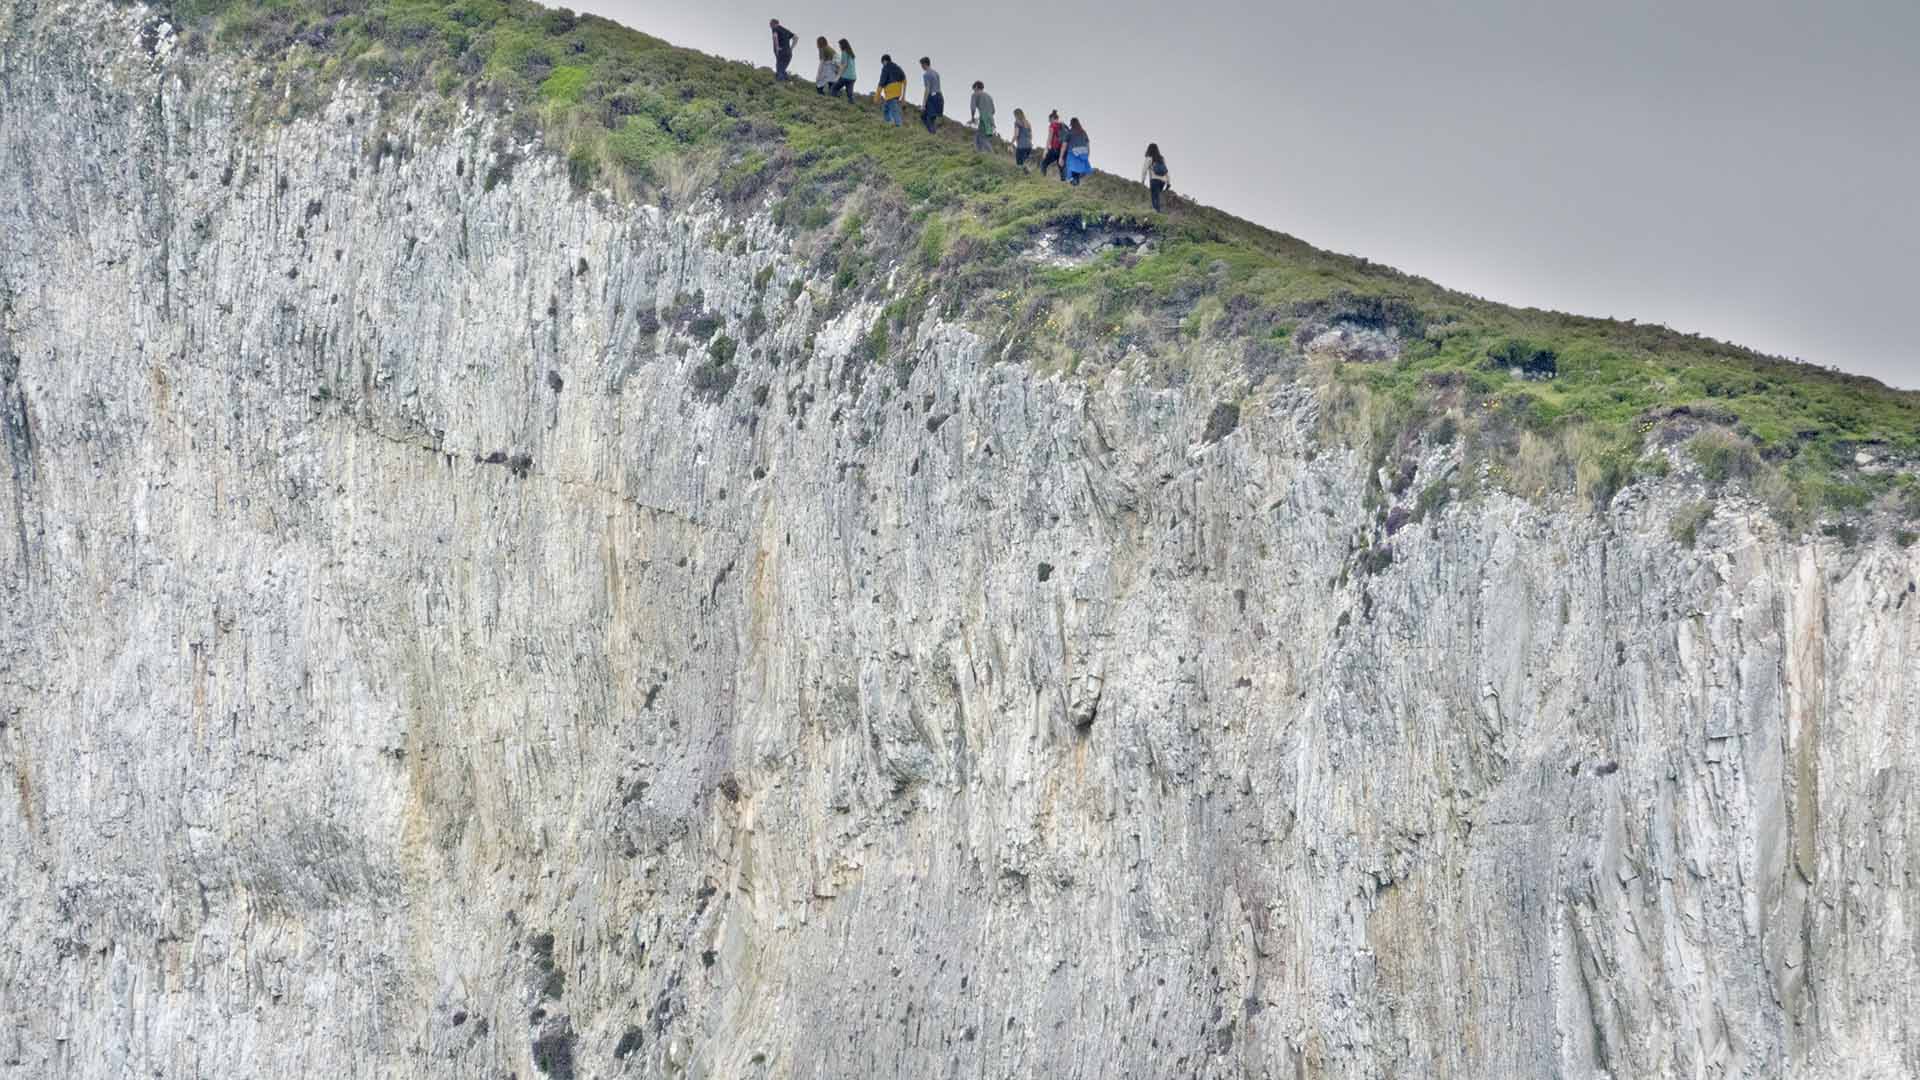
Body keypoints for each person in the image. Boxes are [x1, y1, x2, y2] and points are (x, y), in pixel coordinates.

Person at [875, 54, 908, 126]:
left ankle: (898, 126)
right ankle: (889, 124)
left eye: (882, 63)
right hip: (898, 92)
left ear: (884, 61)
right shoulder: (898, 67)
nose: (883, 65)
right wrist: (903, 96)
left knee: (894, 110)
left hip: (891, 93)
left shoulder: (885, 68)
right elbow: (905, 80)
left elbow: (881, 82)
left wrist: (876, 97)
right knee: (886, 110)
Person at [1140, 142, 1171, 211]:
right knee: (1157, 196)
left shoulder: (1149, 158)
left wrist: (1142, 180)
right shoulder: (1161, 158)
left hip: (1154, 180)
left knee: (1154, 197)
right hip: (1162, 181)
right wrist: (1168, 182)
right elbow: (1166, 171)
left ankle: (1156, 211)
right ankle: (1157, 210)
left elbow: (1144, 170)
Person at [918, 57, 944, 133]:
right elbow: (939, 87)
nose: (921, 67)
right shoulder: (936, 73)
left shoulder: (926, 75)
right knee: (927, 117)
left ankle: (932, 135)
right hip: (939, 97)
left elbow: (927, 89)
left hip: (932, 97)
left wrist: (923, 105)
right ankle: (932, 133)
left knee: (928, 118)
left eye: (921, 65)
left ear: (924, 64)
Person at [968, 81, 995, 152]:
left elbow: (973, 108)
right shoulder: (989, 97)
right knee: (978, 138)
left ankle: (991, 155)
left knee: (982, 139)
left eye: (974, 88)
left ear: (976, 87)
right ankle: (981, 155)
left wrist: (973, 117)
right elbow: (993, 111)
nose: (974, 90)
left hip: (984, 119)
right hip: (991, 121)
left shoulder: (975, 94)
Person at [1064, 117, 1091, 185]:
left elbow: (1065, 144)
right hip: (1083, 152)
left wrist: (1061, 155)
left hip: (1074, 152)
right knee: (1078, 165)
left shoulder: (1070, 132)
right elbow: (1087, 143)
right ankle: (1076, 179)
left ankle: (1073, 179)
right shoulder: (1083, 132)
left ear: (1072, 124)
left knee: (1071, 163)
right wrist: (1088, 153)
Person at [1040, 110, 1066, 180]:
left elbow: (1049, 137)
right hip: (1063, 150)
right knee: (1061, 166)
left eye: (1049, 120)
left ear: (1052, 118)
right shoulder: (1063, 125)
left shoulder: (1053, 125)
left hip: (1055, 149)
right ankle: (1064, 183)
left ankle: (1042, 179)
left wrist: (1046, 149)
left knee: (1043, 163)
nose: (1049, 121)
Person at [832, 39, 858, 103]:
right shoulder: (851, 54)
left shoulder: (844, 52)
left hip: (846, 76)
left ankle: (835, 102)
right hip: (853, 77)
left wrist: (838, 75)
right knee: (849, 94)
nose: (839, 46)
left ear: (842, 45)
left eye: (839, 45)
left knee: (834, 89)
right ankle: (851, 104)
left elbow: (844, 65)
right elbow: (846, 65)